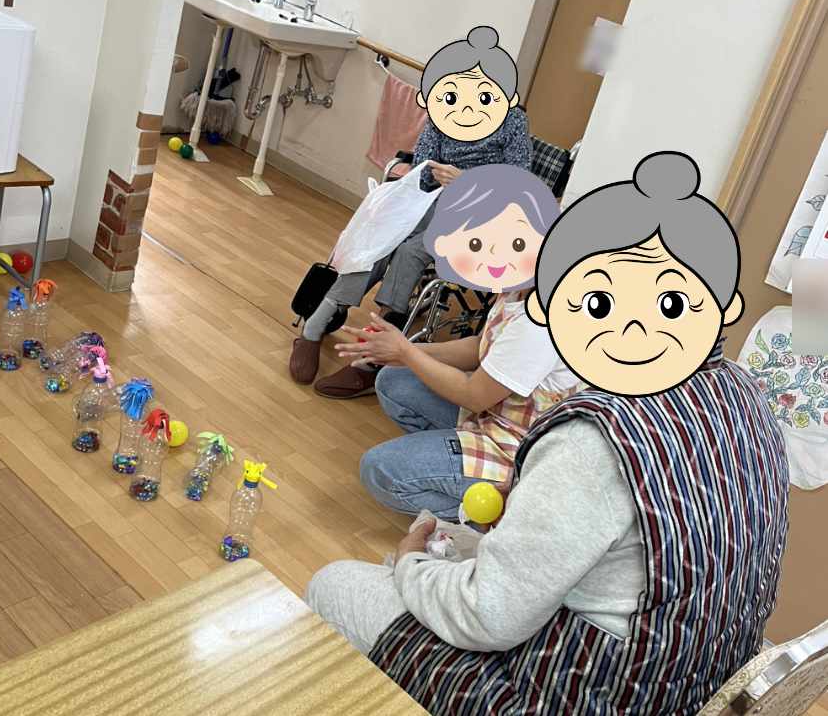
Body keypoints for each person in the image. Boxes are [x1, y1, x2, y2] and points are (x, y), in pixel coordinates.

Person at [306, 152, 789, 715]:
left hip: (581, 694)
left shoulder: (598, 437)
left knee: (337, 584)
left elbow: (485, 615)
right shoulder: (746, 391)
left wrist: (414, 563)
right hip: (693, 677)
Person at [290, 26, 531, 399]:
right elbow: (422, 165)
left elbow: (518, 183)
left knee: (410, 252)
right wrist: (435, 175)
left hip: (479, 215)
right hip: (429, 198)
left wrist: (467, 182)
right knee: (379, 240)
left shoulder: (514, 122)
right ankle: (314, 326)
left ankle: (372, 358)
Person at [336, 164, 577, 518]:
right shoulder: (518, 288)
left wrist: (406, 352)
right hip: (491, 416)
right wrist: (404, 352)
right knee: (393, 380)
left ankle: (503, 511)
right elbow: (479, 348)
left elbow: (473, 394)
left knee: (380, 471)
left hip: (515, 449)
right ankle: (449, 464)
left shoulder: (539, 323)